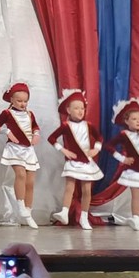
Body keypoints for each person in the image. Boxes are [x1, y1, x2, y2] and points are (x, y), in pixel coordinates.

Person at [48, 89, 103, 230]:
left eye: (82, 108)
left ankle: (84, 217)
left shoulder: (88, 125)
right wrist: (64, 150)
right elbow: (52, 138)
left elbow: (99, 138)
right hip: (73, 162)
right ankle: (64, 212)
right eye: (76, 108)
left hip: (86, 162)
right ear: (68, 110)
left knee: (86, 190)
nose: (80, 111)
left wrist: (96, 149)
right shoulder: (66, 126)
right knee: (69, 187)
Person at [0, 83, 40, 228]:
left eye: (25, 101)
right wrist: (6, 131)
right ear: (11, 99)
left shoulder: (30, 114)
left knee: (30, 182)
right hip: (14, 149)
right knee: (21, 175)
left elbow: (35, 126)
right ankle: (20, 205)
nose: (23, 104)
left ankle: (28, 212)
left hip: (28, 150)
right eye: (19, 101)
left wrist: (36, 134)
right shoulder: (7, 113)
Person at [106, 98, 139, 230]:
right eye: (134, 119)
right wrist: (123, 159)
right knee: (137, 195)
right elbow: (109, 146)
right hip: (133, 170)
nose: (138, 121)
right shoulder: (124, 134)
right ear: (126, 121)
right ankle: (135, 218)